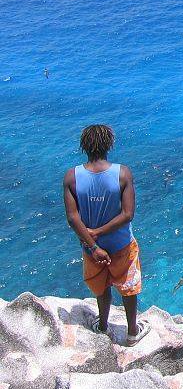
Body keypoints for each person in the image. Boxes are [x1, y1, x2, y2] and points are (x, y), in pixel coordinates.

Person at [63, 124, 150, 345]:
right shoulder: (122, 173)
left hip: (91, 247)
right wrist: (101, 231)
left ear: (84, 146)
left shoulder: (72, 177)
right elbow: (128, 214)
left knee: (101, 287)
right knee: (128, 287)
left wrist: (93, 244)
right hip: (121, 243)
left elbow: (73, 218)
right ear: (109, 144)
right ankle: (132, 332)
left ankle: (102, 326)